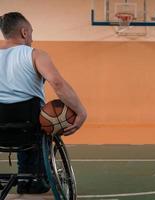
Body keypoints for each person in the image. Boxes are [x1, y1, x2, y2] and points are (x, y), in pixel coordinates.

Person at [0, 12, 87, 194]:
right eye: (31, 32)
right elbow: (57, 83)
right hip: (30, 125)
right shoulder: (35, 54)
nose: (32, 37)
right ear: (24, 32)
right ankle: (34, 181)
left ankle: (23, 181)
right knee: (37, 126)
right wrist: (80, 112)